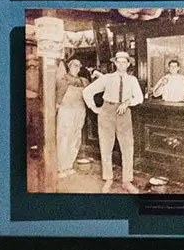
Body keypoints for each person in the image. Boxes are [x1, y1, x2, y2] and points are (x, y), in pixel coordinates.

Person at [82, 56, 143, 191]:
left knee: (127, 147)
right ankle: (108, 179)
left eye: (124, 62)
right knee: (106, 145)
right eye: (118, 62)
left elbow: (139, 98)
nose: (121, 65)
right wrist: (94, 108)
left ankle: (127, 181)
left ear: (128, 64)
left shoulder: (132, 80)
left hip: (124, 112)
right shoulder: (107, 78)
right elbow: (87, 91)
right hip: (107, 111)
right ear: (115, 63)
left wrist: (127, 102)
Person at [54, 57, 90, 177]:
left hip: (79, 112)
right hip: (66, 111)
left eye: (79, 65)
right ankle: (60, 168)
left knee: (75, 138)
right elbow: (57, 96)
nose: (77, 67)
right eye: (75, 65)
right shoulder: (62, 79)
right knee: (63, 137)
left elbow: (92, 92)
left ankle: (69, 165)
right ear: (69, 66)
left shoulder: (83, 81)